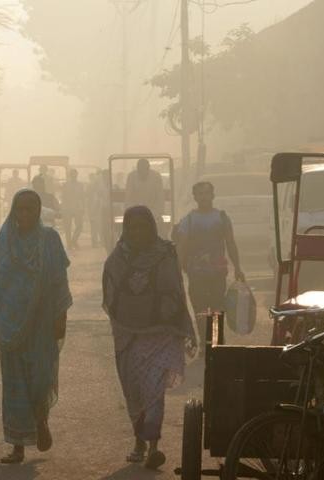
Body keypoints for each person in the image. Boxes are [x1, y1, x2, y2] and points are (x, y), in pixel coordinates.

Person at [0, 189, 72, 464]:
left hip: (41, 323)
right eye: (20, 209)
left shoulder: (49, 239)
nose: (24, 214)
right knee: (14, 386)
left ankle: (40, 418)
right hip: (9, 324)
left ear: (38, 212)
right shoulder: (3, 240)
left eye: (30, 209)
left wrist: (61, 316)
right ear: (13, 211)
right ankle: (17, 446)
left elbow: (59, 280)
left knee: (39, 379)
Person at [103, 206, 195, 470]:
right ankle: (138, 441)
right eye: (132, 227)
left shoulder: (165, 254)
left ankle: (153, 444)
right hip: (128, 335)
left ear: (152, 228)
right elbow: (110, 292)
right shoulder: (118, 257)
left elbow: (176, 290)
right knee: (133, 391)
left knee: (154, 392)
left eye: (142, 227)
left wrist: (168, 315)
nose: (137, 232)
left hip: (159, 334)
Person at [175, 181, 245, 348]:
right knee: (200, 310)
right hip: (196, 273)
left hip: (217, 272)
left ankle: (217, 343)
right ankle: (205, 344)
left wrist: (238, 267)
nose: (203, 197)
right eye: (200, 194)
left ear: (212, 196)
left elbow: (230, 243)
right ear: (195, 197)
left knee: (217, 309)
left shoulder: (221, 218)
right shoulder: (188, 220)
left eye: (206, 193)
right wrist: (176, 271)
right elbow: (181, 248)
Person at [124, 159, 165, 224]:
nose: (142, 173)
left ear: (148, 169)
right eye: (140, 171)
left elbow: (160, 199)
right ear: (137, 169)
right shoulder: (131, 177)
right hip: (135, 214)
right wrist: (134, 214)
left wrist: (154, 214)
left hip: (153, 213)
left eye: (144, 171)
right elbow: (128, 199)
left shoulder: (156, 177)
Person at [61, 169, 85, 249]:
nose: (74, 176)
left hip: (77, 208)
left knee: (80, 225)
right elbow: (63, 197)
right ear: (70, 175)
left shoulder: (80, 185)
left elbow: (82, 197)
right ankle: (69, 244)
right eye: (72, 174)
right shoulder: (65, 185)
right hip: (67, 208)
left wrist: (83, 207)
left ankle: (73, 240)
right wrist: (63, 208)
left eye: (75, 174)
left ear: (77, 175)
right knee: (68, 227)